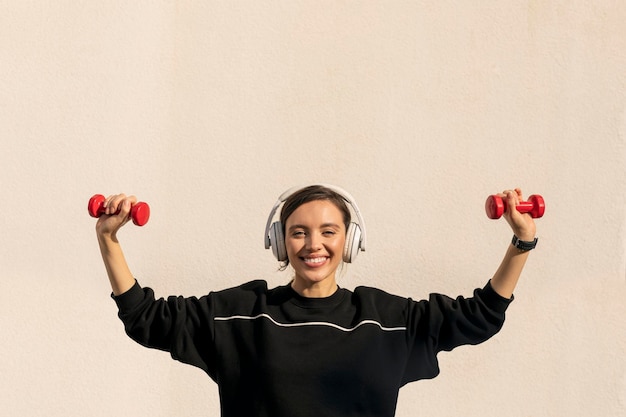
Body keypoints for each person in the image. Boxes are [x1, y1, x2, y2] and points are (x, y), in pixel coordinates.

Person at [95, 184, 537, 417]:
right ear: (280, 242)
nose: (313, 244)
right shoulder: (240, 314)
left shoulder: (384, 320)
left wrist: (522, 241)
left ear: (349, 241)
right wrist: (109, 239)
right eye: (298, 231)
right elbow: (144, 317)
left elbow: (481, 315)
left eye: (329, 231)